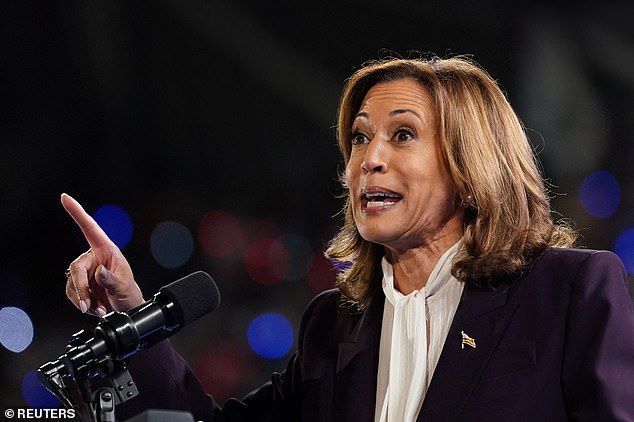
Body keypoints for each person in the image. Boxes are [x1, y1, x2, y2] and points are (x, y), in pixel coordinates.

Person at [61, 56, 634, 421]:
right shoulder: (332, 328)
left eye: (401, 135)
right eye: (359, 139)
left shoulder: (569, 292)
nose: (369, 160)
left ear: (469, 163)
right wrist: (130, 319)